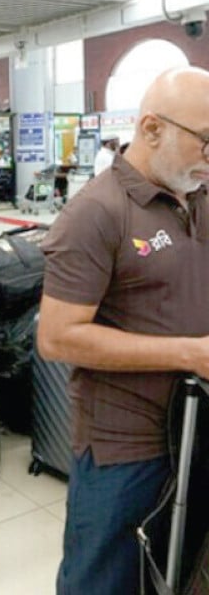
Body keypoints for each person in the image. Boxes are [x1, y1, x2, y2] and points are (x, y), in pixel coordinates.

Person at [37, 66, 209, 595]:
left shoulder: (197, 197)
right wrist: (190, 354)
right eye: (206, 140)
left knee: (179, 568)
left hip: (195, 429)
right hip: (126, 446)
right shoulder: (95, 213)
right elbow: (58, 337)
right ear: (152, 128)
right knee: (104, 576)